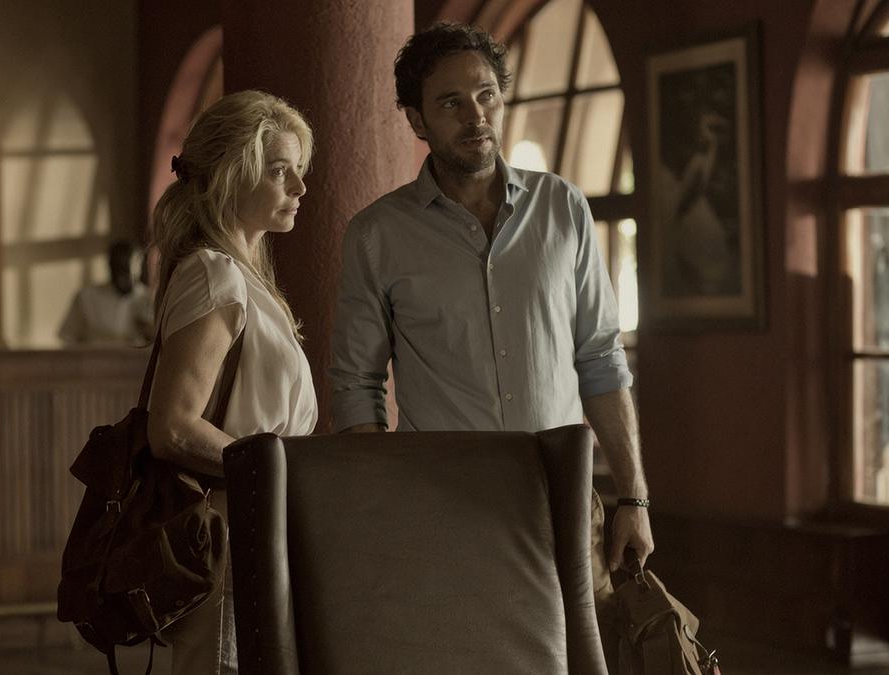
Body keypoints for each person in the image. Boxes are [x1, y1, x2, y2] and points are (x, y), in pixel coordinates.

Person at [328, 19, 654, 642]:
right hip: (441, 510)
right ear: (417, 120)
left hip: (564, 503)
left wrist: (633, 498)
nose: (475, 116)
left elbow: (600, 360)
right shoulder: (377, 235)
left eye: (486, 95)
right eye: (451, 102)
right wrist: (380, 506)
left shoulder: (563, 208)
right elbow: (356, 385)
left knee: (583, 660)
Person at [146, 90, 317, 674]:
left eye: (298, 169)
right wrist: (277, 471)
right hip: (228, 527)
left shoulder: (241, 277)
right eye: (279, 171)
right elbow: (172, 427)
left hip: (254, 518)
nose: (299, 187)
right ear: (230, 176)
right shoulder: (214, 274)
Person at [58, 239, 155, 346]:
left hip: (136, 356)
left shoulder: (149, 299)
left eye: (128, 267)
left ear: (140, 265)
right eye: (118, 267)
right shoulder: (86, 297)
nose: (124, 274)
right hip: (95, 355)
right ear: (109, 266)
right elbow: (68, 338)